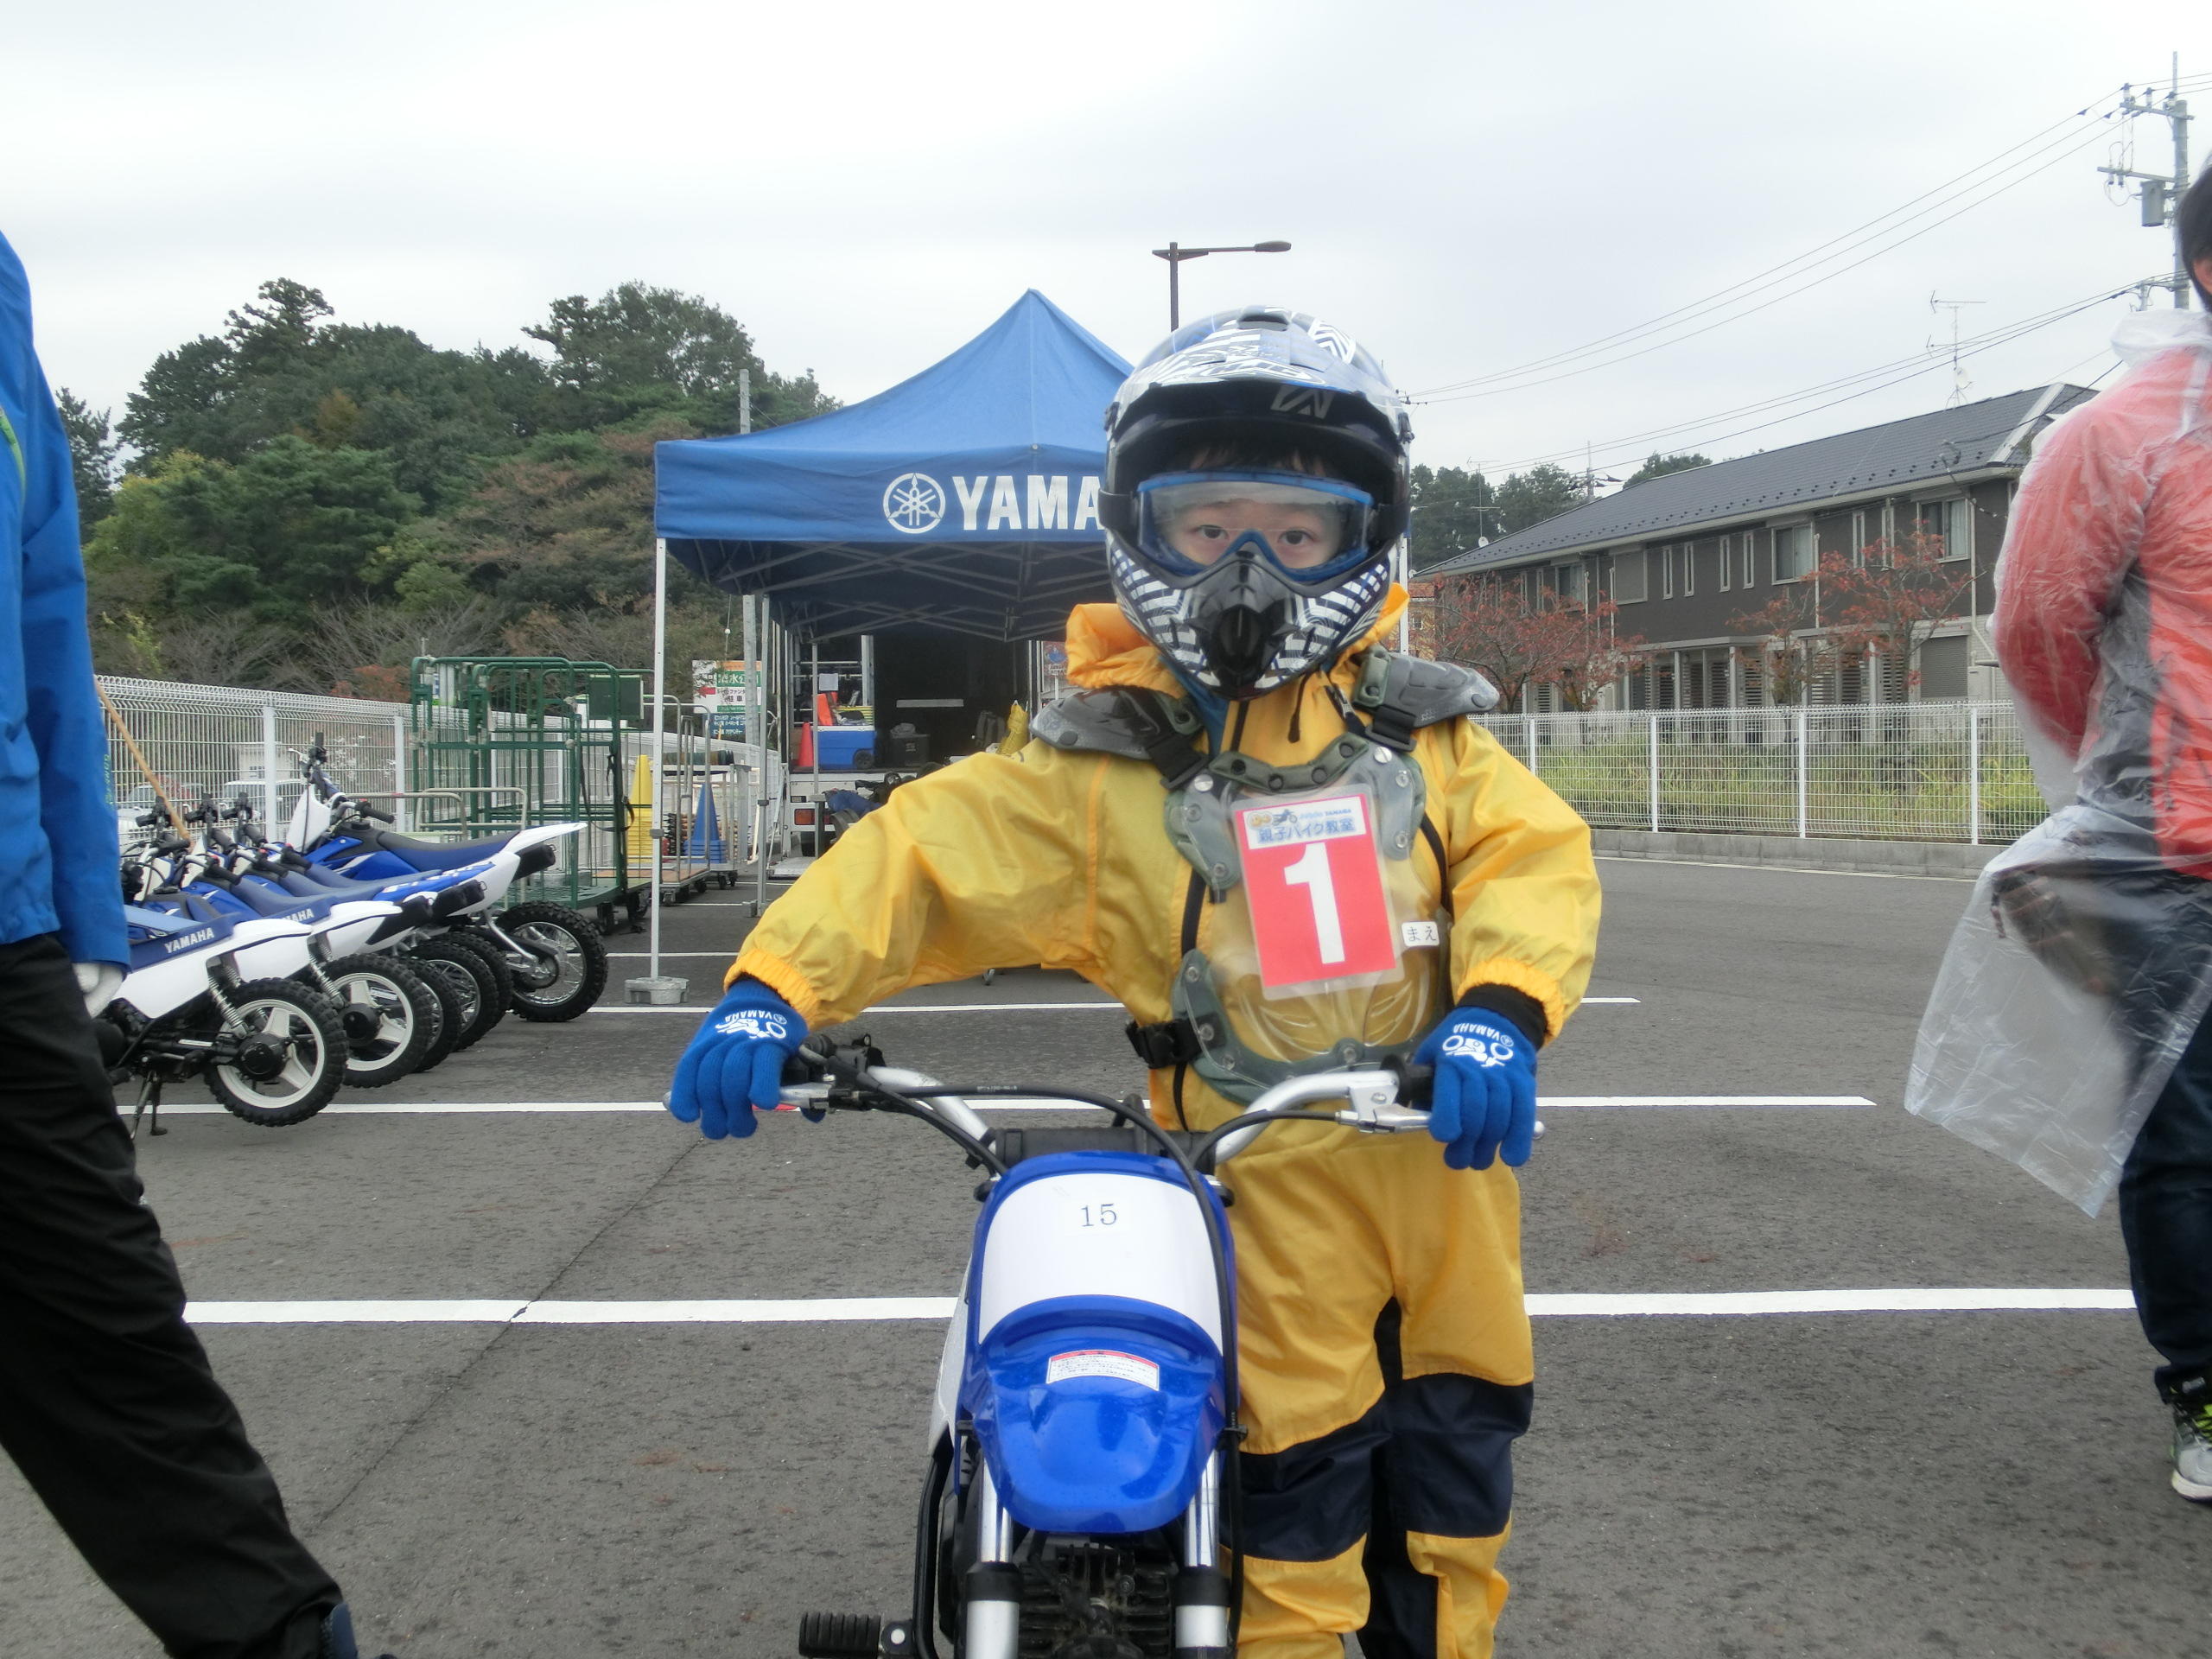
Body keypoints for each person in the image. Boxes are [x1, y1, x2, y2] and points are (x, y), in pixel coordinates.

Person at [669, 308, 1600, 1658]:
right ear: (1139, 528)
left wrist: (1502, 1014)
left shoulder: (1429, 741)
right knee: (1288, 1491)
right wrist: (775, 987)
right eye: (1209, 523)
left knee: (1456, 1476)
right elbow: (915, 861)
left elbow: (1535, 866)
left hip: (1445, 1162)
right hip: (1254, 1179)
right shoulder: (1103, 770)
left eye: (1295, 533)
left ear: (1363, 539)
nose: (1248, 570)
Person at [0, 229, 387, 1659]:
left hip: (5, 939)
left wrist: (79, 912)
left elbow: (44, 609)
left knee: (129, 1375)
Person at [1988, 164, 2212, 1502]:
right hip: (2178, 851)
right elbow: (2037, 626)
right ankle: (2205, 1391)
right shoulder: (2126, 435)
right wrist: (2127, 781)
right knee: (2187, 1134)